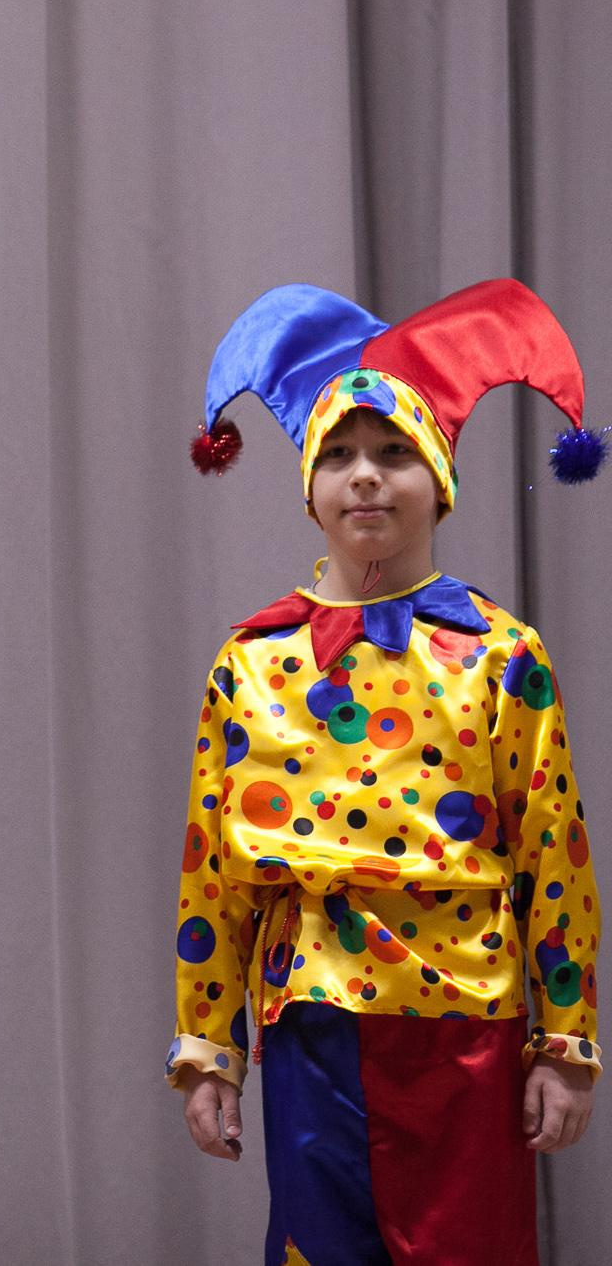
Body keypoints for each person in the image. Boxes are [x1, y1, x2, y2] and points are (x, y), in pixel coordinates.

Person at [171, 281, 600, 1265]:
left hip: (465, 1025)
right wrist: (207, 1048)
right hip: (309, 1022)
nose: (364, 477)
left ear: (438, 476)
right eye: (338, 454)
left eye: (392, 452)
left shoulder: (500, 656)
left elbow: (553, 859)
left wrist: (564, 1043)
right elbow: (211, 876)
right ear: (309, 482)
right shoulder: (250, 661)